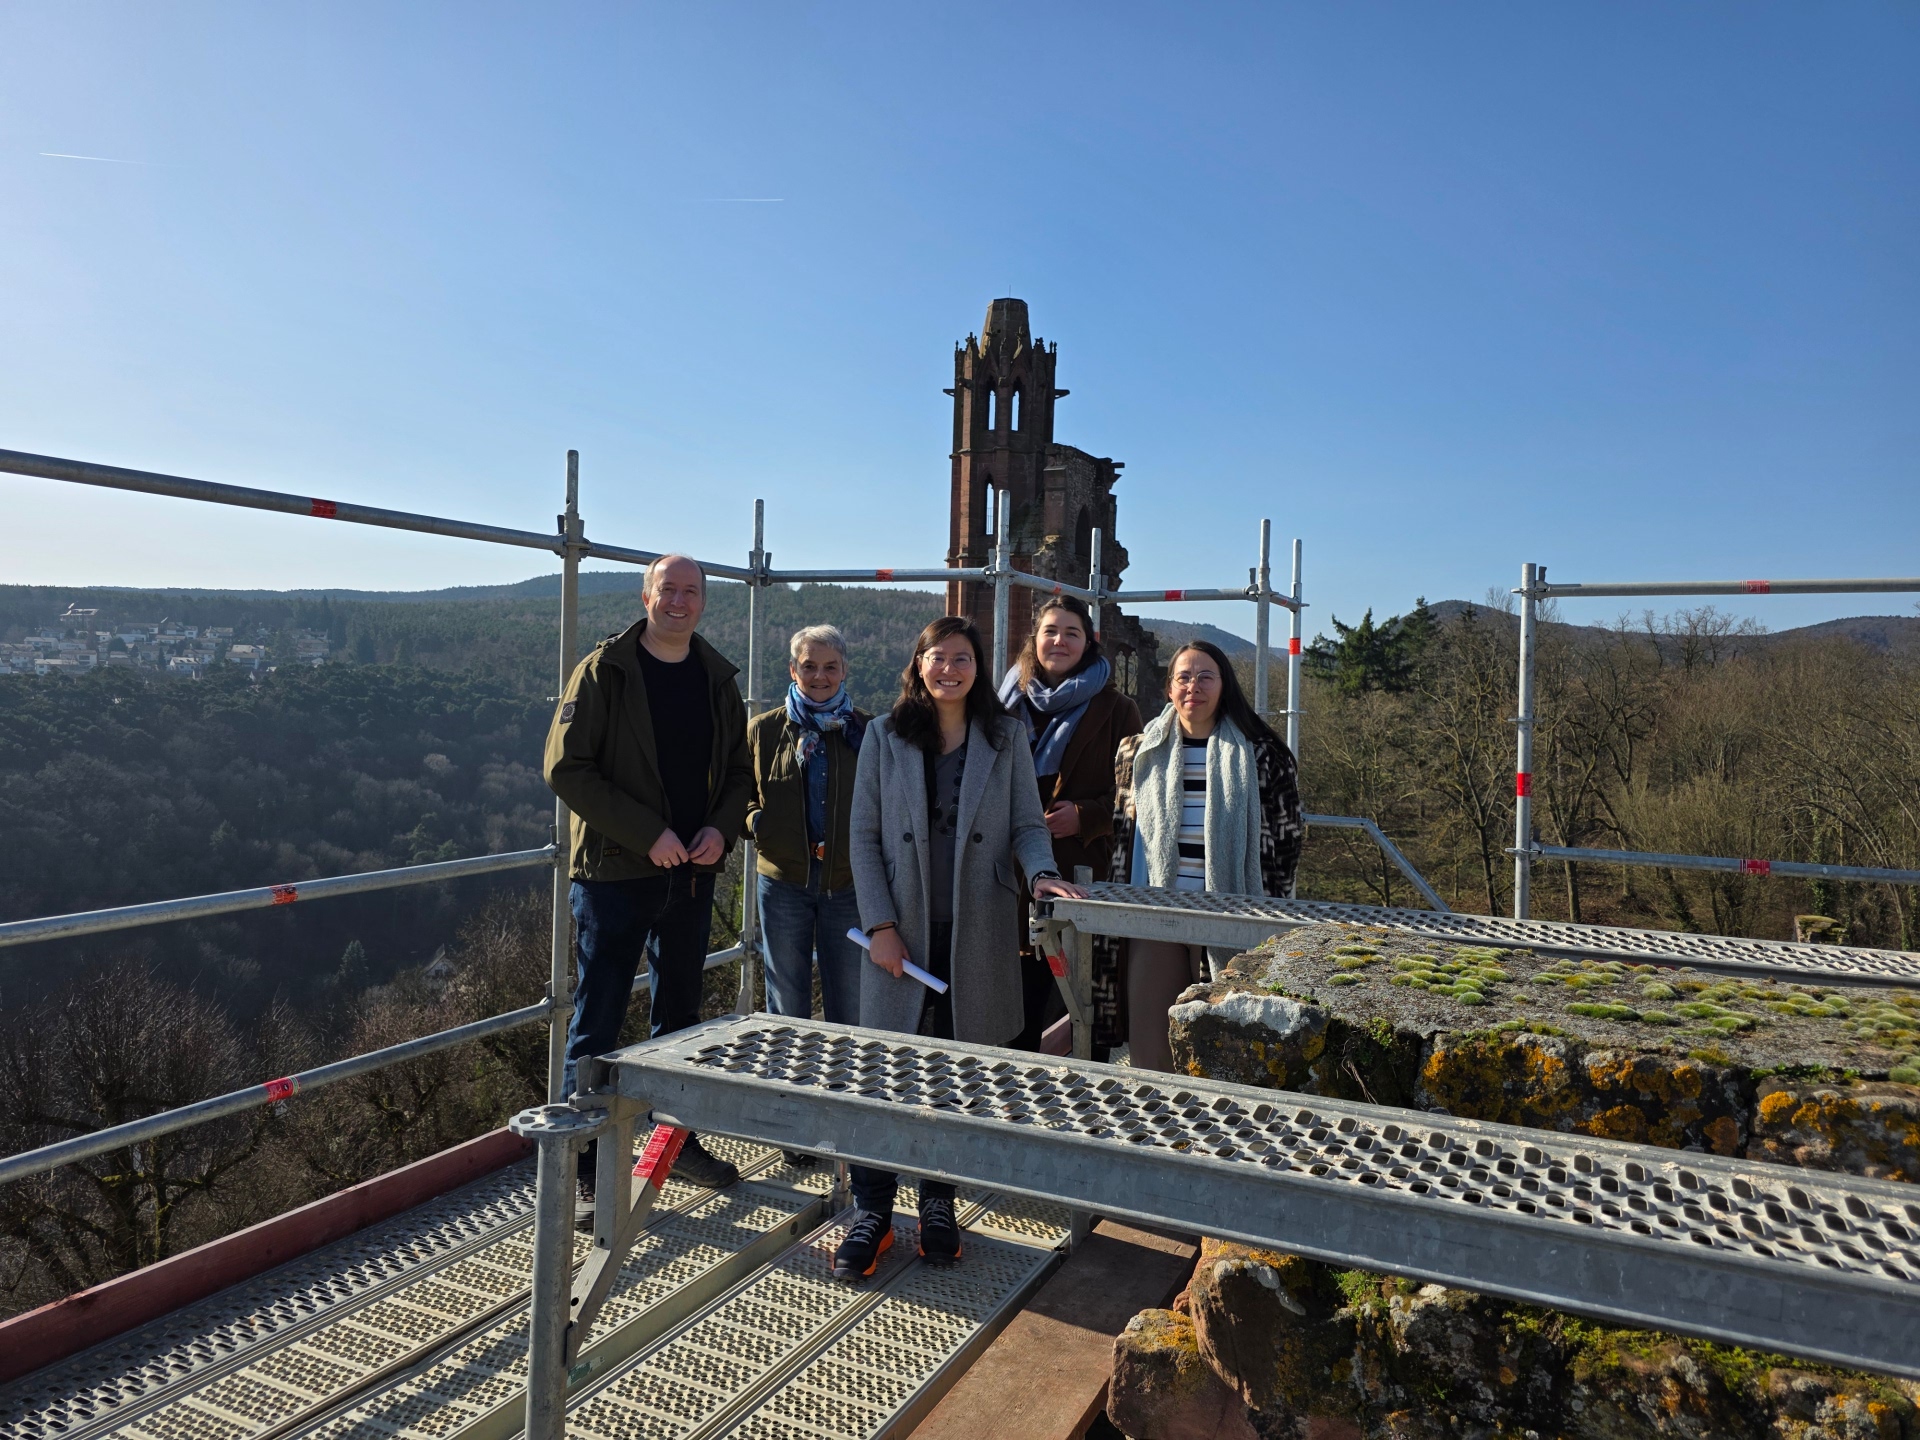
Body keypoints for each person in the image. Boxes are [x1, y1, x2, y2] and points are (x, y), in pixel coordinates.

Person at [836, 616, 1085, 1279]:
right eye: (937, 657)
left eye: (963, 658)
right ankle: (873, 1210)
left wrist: (1042, 874)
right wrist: (880, 924)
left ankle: (938, 1203)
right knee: (883, 1074)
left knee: (955, 1074)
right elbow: (862, 836)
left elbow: (1029, 825)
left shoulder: (1004, 737)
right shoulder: (884, 738)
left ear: (979, 668)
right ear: (918, 665)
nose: (949, 668)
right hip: (902, 936)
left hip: (976, 931)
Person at [544, 554, 753, 1217]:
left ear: (703, 602)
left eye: (692, 591)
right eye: (670, 589)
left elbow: (739, 775)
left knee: (681, 1023)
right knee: (597, 1025)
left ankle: (672, 1144)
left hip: (691, 876)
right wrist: (647, 835)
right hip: (615, 877)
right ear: (646, 595)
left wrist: (721, 831)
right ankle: (584, 1165)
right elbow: (565, 768)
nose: (680, 601)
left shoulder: (716, 679)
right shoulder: (605, 671)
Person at [1109, 640, 1302, 1071]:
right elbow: (1122, 835)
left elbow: (1288, 844)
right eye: (1183, 677)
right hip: (1155, 914)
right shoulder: (1135, 753)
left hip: (1237, 917)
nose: (1193, 685)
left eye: (1205, 676)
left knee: (1230, 1052)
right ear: (1168, 689)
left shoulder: (1263, 755)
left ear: (1224, 686)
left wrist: (1273, 921)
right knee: (1151, 1052)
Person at [995, 595, 1142, 1051]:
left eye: (1072, 633)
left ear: (1089, 642)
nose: (1060, 641)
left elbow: (1138, 796)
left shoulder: (1117, 709)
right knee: (1010, 1005)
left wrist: (1087, 817)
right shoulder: (1003, 704)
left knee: (1075, 1008)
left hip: (1079, 873)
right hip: (1008, 874)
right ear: (1034, 640)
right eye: (1050, 631)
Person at [744, 623, 869, 1050]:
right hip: (783, 882)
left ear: (845, 670)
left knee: (850, 1005)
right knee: (786, 1005)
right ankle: (789, 1094)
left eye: (830, 666)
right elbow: (740, 794)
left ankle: (845, 1092)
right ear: (792, 670)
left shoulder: (867, 734)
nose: (820, 676)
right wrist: (758, 824)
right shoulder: (763, 730)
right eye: (809, 666)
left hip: (848, 883)